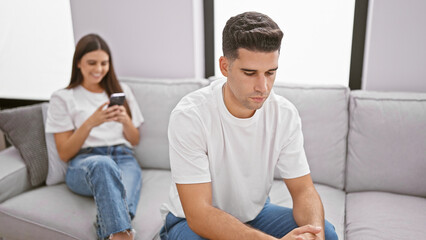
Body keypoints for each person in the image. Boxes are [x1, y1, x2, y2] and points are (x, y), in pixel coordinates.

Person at [160, 12, 338, 240]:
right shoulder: (190, 116)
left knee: (328, 234)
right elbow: (199, 214)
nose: (262, 87)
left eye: (270, 73)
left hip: (255, 214)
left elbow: (303, 190)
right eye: (250, 73)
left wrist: (314, 234)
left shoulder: (284, 114)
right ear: (225, 67)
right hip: (190, 222)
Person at [46, 34, 144, 240]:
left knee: (120, 193)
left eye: (104, 63)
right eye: (92, 63)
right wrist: (91, 122)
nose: (98, 69)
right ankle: (122, 235)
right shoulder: (63, 97)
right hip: (86, 162)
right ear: (79, 63)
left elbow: (134, 140)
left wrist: (125, 120)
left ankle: (113, 233)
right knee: (103, 165)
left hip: (124, 158)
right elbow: (64, 153)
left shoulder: (122, 90)